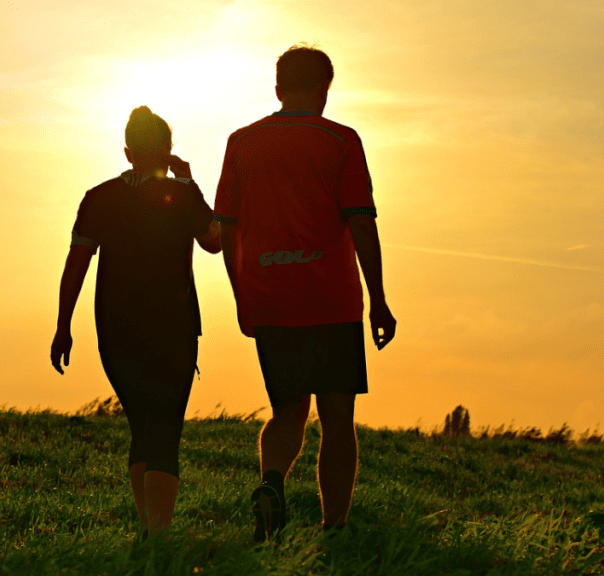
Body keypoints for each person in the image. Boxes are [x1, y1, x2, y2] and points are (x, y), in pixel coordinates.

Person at [213, 44, 397, 542]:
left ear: (277, 89)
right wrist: (378, 299)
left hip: (270, 298)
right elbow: (361, 223)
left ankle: (272, 483)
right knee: (337, 418)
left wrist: (240, 294)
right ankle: (333, 528)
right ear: (325, 89)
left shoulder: (241, 143)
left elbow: (226, 230)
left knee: (287, 411)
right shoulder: (341, 142)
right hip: (331, 302)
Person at [50, 106, 221, 537]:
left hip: (114, 327)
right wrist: (191, 182)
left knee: (143, 425)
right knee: (165, 427)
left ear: (128, 153)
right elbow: (215, 242)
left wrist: (62, 325)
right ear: (168, 151)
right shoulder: (183, 194)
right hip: (175, 325)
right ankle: (157, 537)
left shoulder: (99, 197)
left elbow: (77, 262)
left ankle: (149, 530)